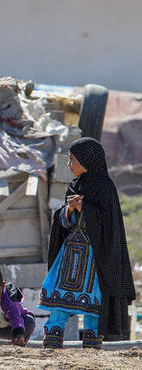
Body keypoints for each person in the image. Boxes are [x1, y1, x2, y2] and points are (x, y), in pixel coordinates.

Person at [39, 137, 134, 348]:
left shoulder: (105, 188)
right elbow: (64, 222)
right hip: (70, 257)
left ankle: (91, 353)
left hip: (96, 260)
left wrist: (86, 209)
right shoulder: (75, 185)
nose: (69, 165)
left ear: (86, 160)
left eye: (72, 159)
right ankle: (52, 346)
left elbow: (110, 225)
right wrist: (69, 211)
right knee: (59, 301)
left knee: (94, 304)